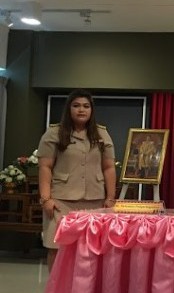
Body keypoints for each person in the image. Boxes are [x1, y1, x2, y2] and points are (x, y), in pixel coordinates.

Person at [37, 89, 116, 271]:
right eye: (76, 105)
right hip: (61, 201)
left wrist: (110, 197)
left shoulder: (102, 134)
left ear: (91, 110)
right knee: (56, 248)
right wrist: (46, 198)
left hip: (94, 202)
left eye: (86, 106)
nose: (82, 110)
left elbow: (109, 168)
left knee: (90, 249)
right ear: (69, 109)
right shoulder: (54, 133)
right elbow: (45, 167)